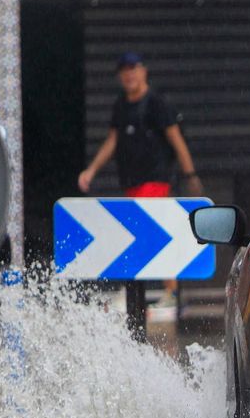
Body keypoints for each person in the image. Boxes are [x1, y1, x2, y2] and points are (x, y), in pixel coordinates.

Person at [78, 51, 202, 310]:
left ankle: (164, 292)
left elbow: (176, 139)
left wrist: (190, 175)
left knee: (144, 231)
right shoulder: (121, 105)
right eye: (124, 70)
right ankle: (150, 291)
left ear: (144, 71)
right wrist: (91, 171)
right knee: (144, 232)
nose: (129, 75)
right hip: (131, 182)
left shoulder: (156, 103)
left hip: (155, 179)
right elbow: (112, 141)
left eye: (133, 68)